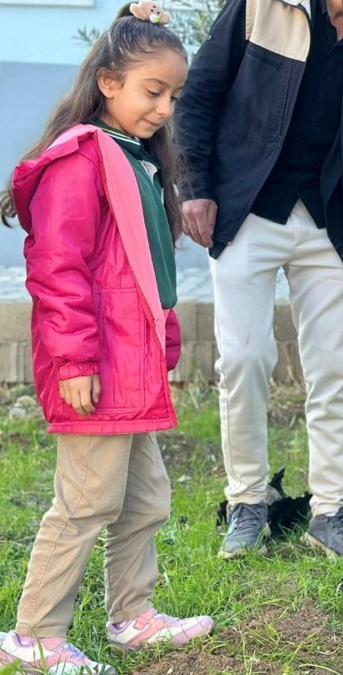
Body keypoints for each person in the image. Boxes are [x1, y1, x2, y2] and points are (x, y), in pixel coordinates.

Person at [0, 5, 214, 672]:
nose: (163, 107)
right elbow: (58, 268)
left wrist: (163, 339)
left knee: (147, 497)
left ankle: (132, 613)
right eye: (154, 91)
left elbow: (146, 269)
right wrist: (72, 360)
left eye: (173, 96)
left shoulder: (134, 159)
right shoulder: (80, 159)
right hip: (94, 365)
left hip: (130, 365)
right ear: (109, 81)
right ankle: (35, 635)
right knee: (86, 502)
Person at [174, 0, 343, 560]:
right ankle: (247, 502)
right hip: (247, 208)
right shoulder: (263, 6)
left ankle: (331, 512)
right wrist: (196, 187)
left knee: (332, 370)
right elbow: (200, 95)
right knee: (241, 359)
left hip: (333, 224)